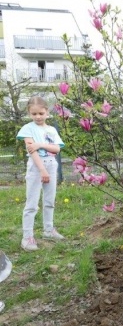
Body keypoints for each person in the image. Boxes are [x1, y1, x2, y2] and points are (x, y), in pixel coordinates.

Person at [17, 96, 65, 251]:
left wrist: (40, 144)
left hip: (52, 165)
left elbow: (57, 149)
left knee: (49, 200)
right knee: (32, 204)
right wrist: (42, 170)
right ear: (30, 113)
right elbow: (32, 151)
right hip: (37, 167)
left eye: (41, 113)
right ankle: (27, 237)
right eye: (34, 114)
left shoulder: (51, 130)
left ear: (47, 112)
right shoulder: (27, 129)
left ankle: (48, 230)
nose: (38, 117)